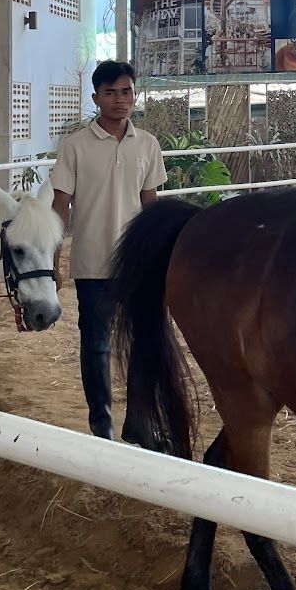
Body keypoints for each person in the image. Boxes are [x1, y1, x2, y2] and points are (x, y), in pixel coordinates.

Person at [50, 61, 167, 439]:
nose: (120, 100)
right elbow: (60, 207)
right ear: (96, 97)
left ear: (135, 95)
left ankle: (139, 424)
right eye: (111, 92)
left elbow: (151, 205)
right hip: (92, 263)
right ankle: (101, 425)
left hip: (137, 264)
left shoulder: (147, 144)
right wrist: (52, 259)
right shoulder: (75, 146)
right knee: (97, 345)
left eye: (127, 91)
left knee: (141, 345)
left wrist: (163, 253)